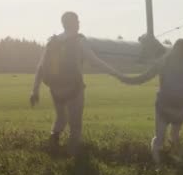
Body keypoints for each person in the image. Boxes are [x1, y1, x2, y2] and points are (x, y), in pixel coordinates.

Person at [30, 11, 125, 155]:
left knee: (61, 119)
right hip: (74, 88)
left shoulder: (53, 41)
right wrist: (116, 73)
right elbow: (95, 61)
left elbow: (41, 67)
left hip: (56, 89)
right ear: (73, 23)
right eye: (78, 21)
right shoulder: (79, 40)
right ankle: (74, 158)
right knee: (75, 125)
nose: (79, 23)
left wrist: (35, 90)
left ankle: (53, 146)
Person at [121, 39, 183, 164]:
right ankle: (179, 160)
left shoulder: (164, 61)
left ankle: (158, 165)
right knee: (175, 136)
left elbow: (143, 78)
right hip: (182, 110)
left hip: (164, 106)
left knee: (159, 139)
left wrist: (123, 78)